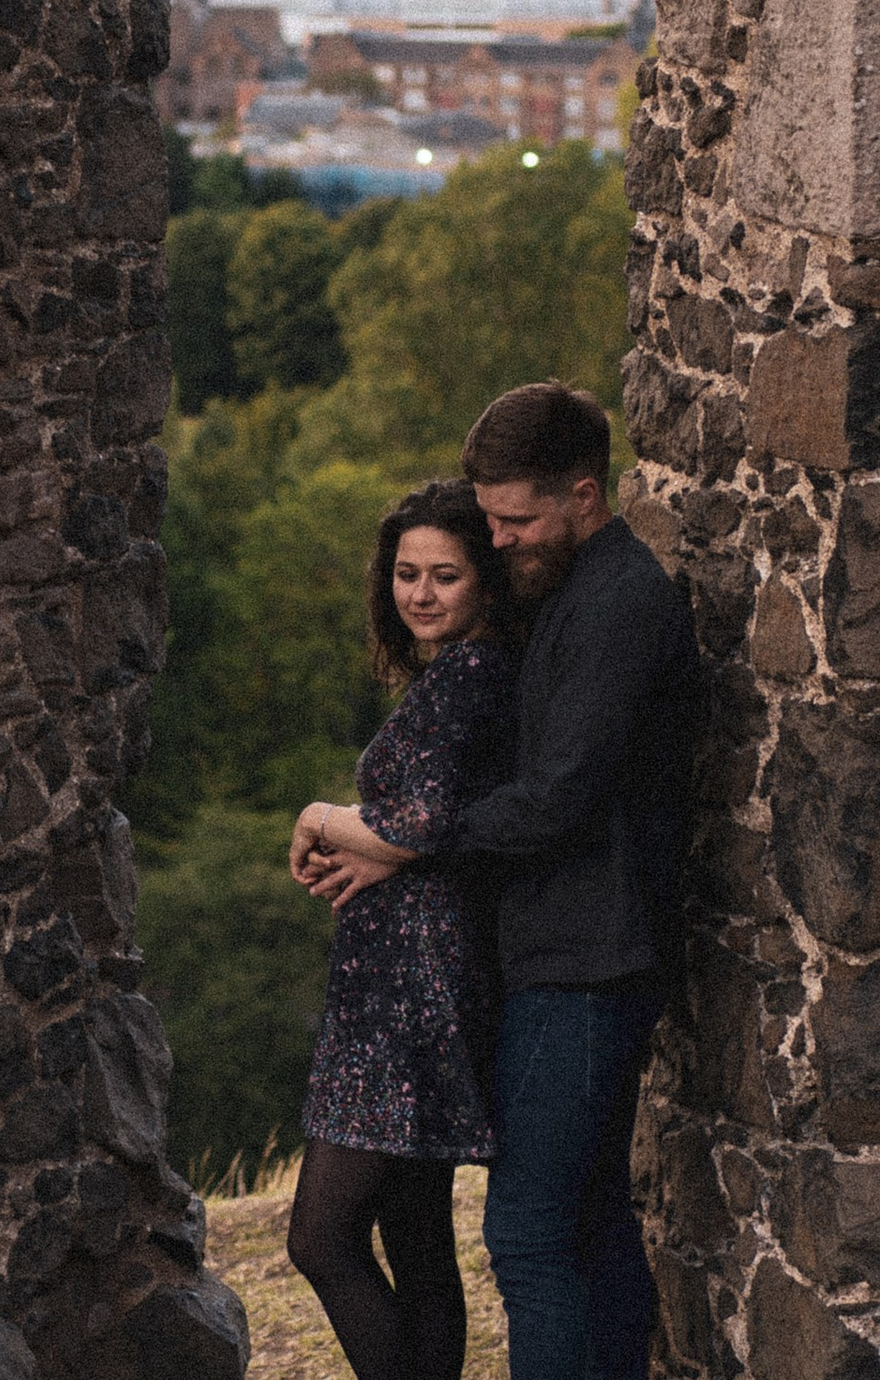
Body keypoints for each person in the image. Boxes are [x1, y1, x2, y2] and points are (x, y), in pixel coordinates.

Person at [313, 381, 699, 1379]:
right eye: (487, 519)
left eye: (514, 520)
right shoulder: (569, 592)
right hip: (567, 951)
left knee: (526, 1235)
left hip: (587, 959)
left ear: (583, 494)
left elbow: (554, 800)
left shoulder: (617, 604)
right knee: (591, 1219)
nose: (499, 539)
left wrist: (403, 841)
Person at [282, 479, 520, 1380]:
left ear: (486, 579)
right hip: (414, 979)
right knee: (415, 1231)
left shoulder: (471, 674)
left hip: (409, 995)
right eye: (406, 573)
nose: (420, 593)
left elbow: (415, 823)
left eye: (445, 575)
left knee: (321, 1237)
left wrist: (321, 817)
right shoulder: (468, 670)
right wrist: (381, 844)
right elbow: (429, 826)